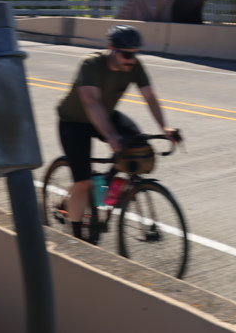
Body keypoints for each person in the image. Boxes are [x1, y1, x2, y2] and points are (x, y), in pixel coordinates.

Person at [56, 24, 181, 240]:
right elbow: (91, 102)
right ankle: (77, 239)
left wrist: (165, 128)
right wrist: (111, 136)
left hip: (106, 114)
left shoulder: (134, 66)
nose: (131, 60)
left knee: (136, 145)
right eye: (126, 55)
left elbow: (149, 96)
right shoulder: (91, 64)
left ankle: (105, 182)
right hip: (74, 122)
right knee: (82, 182)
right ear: (112, 50)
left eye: (135, 54)